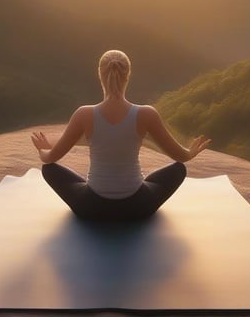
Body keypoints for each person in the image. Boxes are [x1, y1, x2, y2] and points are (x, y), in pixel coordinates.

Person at [30, 49, 210, 222]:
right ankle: (135, 185)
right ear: (128, 75)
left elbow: (49, 159)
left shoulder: (84, 114)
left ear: (100, 74)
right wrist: (191, 152)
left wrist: (43, 150)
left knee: (50, 170)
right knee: (178, 169)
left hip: (91, 208)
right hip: (138, 208)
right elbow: (181, 157)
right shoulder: (146, 114)